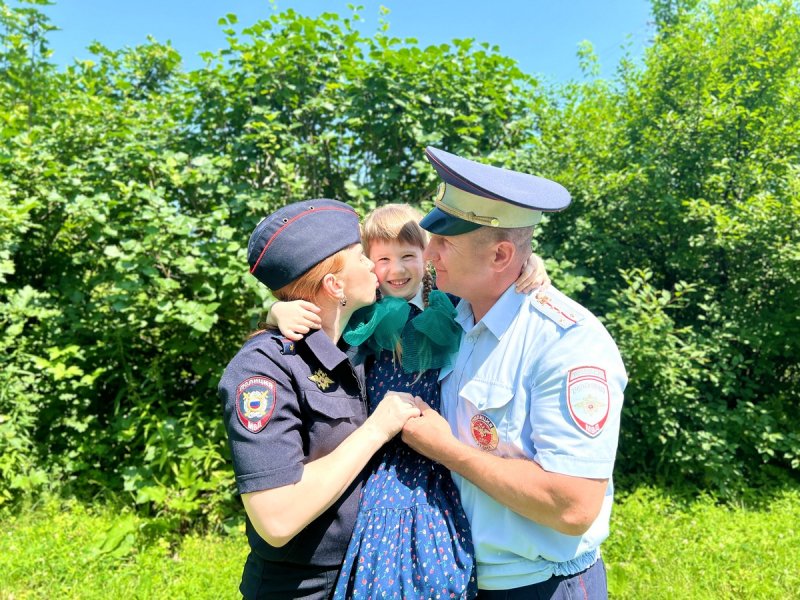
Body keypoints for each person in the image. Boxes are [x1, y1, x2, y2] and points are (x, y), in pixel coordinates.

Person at [269, 203, 550, 599]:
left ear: (427, 257)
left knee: (442, 561)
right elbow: (317, 312)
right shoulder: (364, 314)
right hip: (385, 461)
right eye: (383, 259)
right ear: (368, 264)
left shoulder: (452, 305)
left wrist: (529, 264)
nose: (397, 270)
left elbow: (495, 280)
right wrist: (277, 309)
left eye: (408, 256)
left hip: (443, 455)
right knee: (387, 557)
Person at [401, 147, 627, 599]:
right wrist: (282, 309)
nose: (429, 253)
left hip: (541, 586)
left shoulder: (567, 342)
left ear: (502, 255)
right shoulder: (456, 317)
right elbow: (359, 288)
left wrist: (448, 450)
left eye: (446, 242)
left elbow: (572, 506)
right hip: (459, 577)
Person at [218, 199, 421, 599]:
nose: (374, 266)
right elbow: (276, 519)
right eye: (363, 257)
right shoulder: (264, 369)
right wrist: (377, 429)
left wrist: (527, 269)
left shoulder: (357, 341)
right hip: (304, 586)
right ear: (335, 285)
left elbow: (430, 284)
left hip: (368, 569)